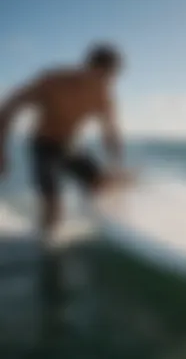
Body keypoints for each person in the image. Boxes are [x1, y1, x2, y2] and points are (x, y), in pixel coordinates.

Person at [0, 43, 127, 326]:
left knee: (103, 185)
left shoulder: (103, 94)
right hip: (43, 145)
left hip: (71, 147)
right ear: (89, 67)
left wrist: (116, 161)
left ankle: (110, 195)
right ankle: (47, 254)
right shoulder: (53, 80)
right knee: (53, 203)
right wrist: (2, 148)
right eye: (105, 76)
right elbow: (10, 103)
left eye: (112, 78)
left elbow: (110, 130)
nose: (108, 83)